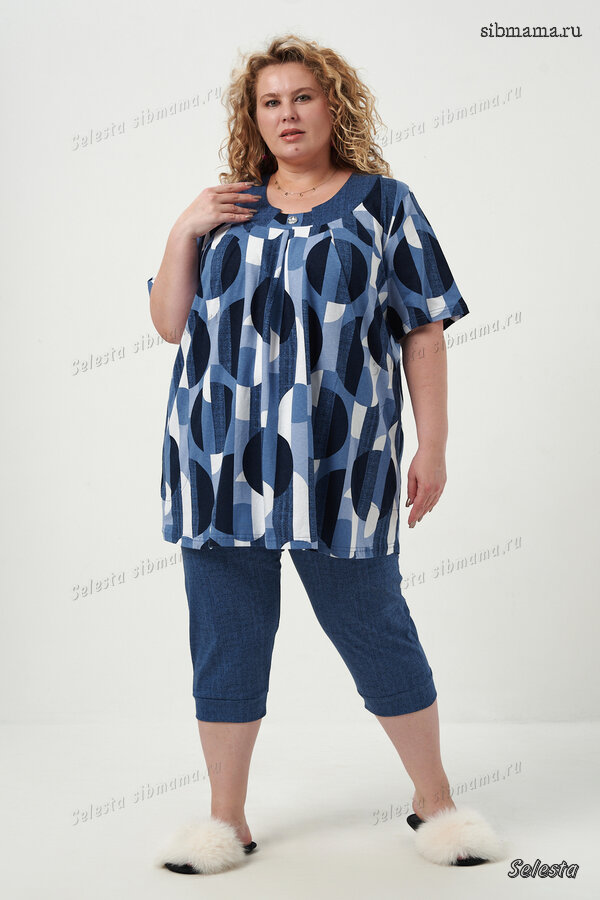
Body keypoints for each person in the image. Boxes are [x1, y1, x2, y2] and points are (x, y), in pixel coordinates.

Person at [148, 34, 504, 875]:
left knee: (374, 624)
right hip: (219, 462)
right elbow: (169, 324)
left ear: (333, 104)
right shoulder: (225, 207)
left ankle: (436, 803)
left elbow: (424, 331)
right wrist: (184, 226)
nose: (287, 114)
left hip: (343, 466)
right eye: (270, 102)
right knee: (226, 637)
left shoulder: (385, 203)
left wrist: (434, 447)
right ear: (253, 118)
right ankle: (225, 819)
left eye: (302, 97)